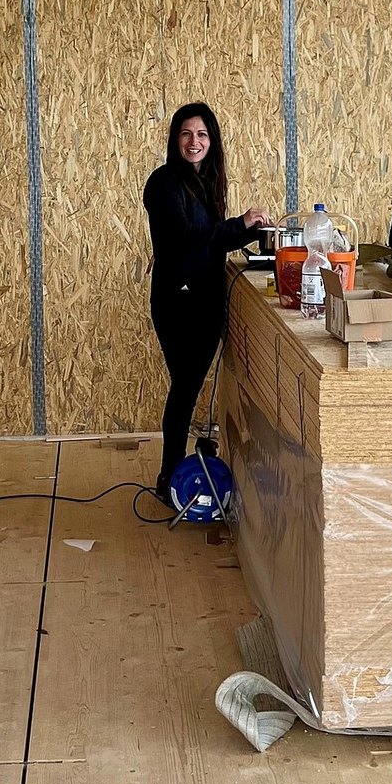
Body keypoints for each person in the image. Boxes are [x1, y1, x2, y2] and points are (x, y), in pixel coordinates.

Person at [142, 101, 268, 499]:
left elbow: (213, 242)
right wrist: (238, 224)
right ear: (175, 139)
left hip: (206, 302)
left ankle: (171, 475)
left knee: (186, 389)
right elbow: (184, 238)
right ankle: (168, 478)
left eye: (201, 134)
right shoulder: (164, 182)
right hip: (177, 303)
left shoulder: (206, 184)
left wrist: (255, 231)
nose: (193, 142)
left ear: (211, 141)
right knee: (184, 389)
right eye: (186, 134)